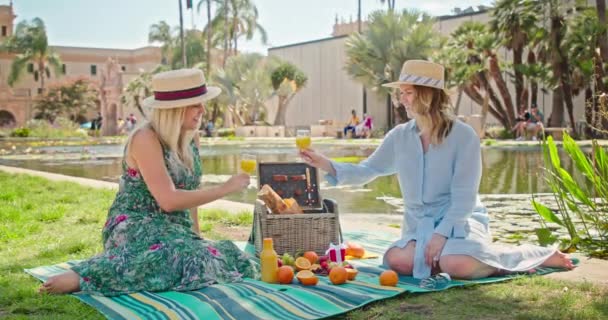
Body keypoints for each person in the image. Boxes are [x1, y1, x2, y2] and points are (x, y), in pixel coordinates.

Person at [300, 60, 573, 280]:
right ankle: (452, 259)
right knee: (395, 260)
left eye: (408, 93)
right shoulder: (399, 137)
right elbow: (368, 169)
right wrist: (327, 164)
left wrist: (441, 235)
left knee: (456, 264)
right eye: (401, 93)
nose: (402, 100)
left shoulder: (464, 137)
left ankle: (520, 256)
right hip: (419, 225)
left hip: (459, 221)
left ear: (427, 95)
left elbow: (465, 198)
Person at [40, 69, 260, 295]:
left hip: (174, 228)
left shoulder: (191, 137)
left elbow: (189, 195)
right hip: (136, 223)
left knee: (224, 254)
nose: (203, 110)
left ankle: (146, 257)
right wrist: (224, 189)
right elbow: (169, 200)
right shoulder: (145, 138)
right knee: (171, 257)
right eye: (196, 104)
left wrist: (196, 236)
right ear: (175, 109)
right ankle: (83, 276)